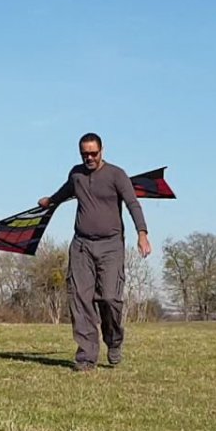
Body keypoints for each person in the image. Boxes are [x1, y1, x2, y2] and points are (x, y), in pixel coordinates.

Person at [40, 133, 151, 371]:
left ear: (102, 151)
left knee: (110, 298)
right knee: (80, 300)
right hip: (81, 245)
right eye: (85, 154)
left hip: (111, 245)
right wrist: (50, 200)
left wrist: (142, 233)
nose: (89, 158)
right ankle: (86, 357)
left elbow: (133, 203)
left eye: (93, 153)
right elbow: (66, 191)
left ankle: (113, 340)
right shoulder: (76, 174)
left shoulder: (117, 175)